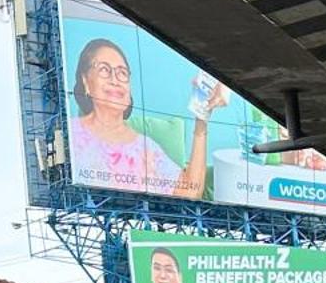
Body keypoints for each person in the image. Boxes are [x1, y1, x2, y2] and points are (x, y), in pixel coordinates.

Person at [68, 38, 225, 200]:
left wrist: (202, 118)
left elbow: (189, 193)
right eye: (104, 70)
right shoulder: (70, 136)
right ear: (85, 81)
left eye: (122, 73)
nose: (115, 80)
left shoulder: (145, 149)